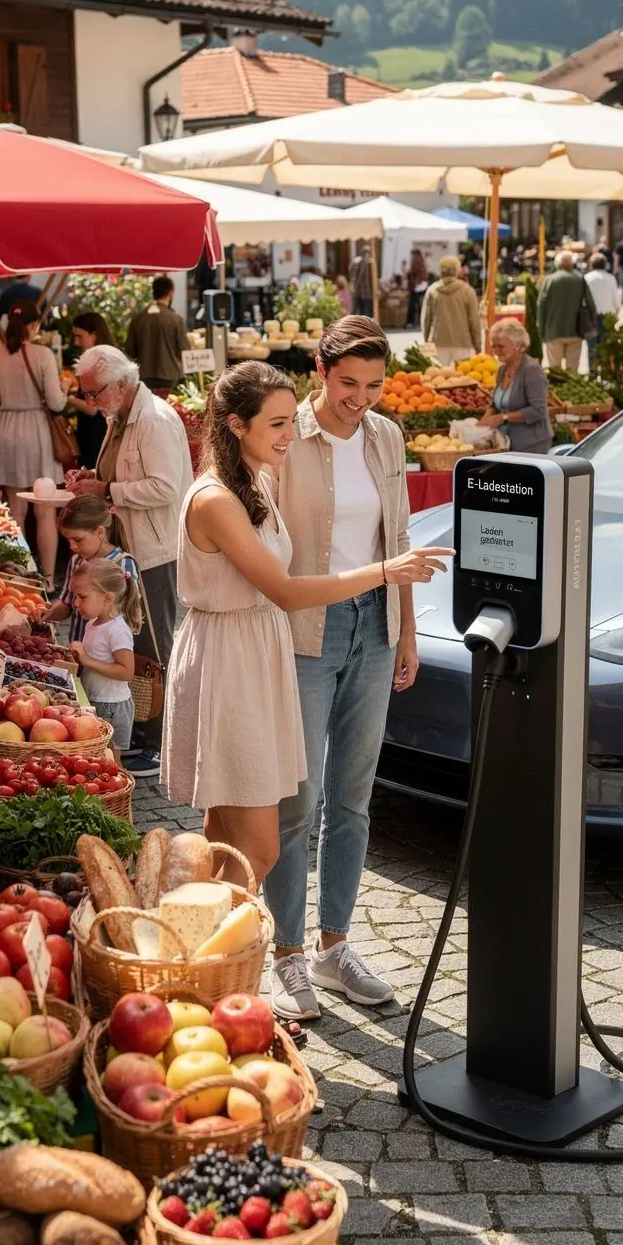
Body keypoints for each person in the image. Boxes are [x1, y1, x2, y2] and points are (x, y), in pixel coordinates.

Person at [162, 360, 451, 889]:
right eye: (275, 424)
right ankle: (204, 958)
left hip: (255, 656)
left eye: (288, 422)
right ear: (235, 425)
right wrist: (384, 571)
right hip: (230, 664)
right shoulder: (215, 499)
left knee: (222, 838)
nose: (289, 435)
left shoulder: (256, 482)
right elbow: (288, 591)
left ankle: (206, 962)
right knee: (258, 849)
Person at [265, 316, 430, 1020]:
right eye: (347, 384)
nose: (359, 399)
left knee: (354, 799)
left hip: (375, 625)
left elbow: (398, 539)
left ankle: (334, 948)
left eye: (372, 385)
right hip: (306, 627)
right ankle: (288, 957)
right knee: (297, 801)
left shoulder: (387, 436)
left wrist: (406, 633)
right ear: (320, 372)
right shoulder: (284, 439)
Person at [66, 344, 192, 776]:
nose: (91, 402)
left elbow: (166, 487)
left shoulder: (153, 420)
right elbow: (121, 475)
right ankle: (139, 731)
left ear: (120, 383)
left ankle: (158, 741)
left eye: (95, 393)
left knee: (154, 646)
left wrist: (107, 492)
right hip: (131, 547)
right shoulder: (120, 414)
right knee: (134, 642)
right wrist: (93, 480)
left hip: (155, 550)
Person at [0, 299, 67, 590]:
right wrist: (66, 391)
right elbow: (56, 402)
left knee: (15, 510)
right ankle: (48, 578)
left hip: (5, 430)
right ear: (35, 325)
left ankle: (18, 577)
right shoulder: (43, 354)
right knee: (45, 509)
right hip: (37, 432)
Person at [69, 557, 142, 755]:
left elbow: (127, 672)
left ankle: (122, 785)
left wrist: (87, 660)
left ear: (108, 598)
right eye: (75, 596)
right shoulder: (92, 623)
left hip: (112, 706)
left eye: (82, 597)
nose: (76, 603)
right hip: (92, 696)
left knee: (109, 758)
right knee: (92, 754)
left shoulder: (117, 630)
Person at [43, 494, 139, 642]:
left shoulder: (122, 564)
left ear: (100, 532)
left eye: (77, 539)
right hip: (78, 651)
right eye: (68, 539)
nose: (72, 546)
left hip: (105, 657)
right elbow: (68, 604)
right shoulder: (76, 561)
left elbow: (125, 616)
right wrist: (48, 613)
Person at [480, 319, 553, 454]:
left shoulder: (532, 370)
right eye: (494, 346)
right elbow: (496, 404)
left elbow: (538, 410)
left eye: (500, 346)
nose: (496, 351)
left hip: (532, 444)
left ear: (518, 344)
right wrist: (486, 417)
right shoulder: (502, 370)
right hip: (507, 443)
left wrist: (503, 418)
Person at [125, 274, 188, 392]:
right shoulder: (176, 319)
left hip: (144, 375)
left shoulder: (138, 319)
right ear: (170, 293)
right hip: (170, 376)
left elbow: (130, 350)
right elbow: (184, 349)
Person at [69, 312, 115, 468]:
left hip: (97, 433)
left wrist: (67, 398)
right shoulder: (98, 359)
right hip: (91, 432)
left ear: (94, 335)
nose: (76, 342)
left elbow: (92, 408)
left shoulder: (100, 363)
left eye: (80, 336)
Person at [421, 255, 481, 365]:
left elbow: (425, 320)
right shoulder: (467, 291)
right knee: (464, 380)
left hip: (437, 345)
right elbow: (474, 321)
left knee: (438, 380)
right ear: (458, 270)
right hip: (463, 345)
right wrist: (478, 345)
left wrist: (427, 342)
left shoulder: (432, 291)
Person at [536, 249, 586, 370]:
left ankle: (557, 389)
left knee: (555, 370)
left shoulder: (550, 280)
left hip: (553, 331)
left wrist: (541, 330)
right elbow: (589, 304)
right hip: (575, 330)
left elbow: (541, 305)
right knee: (572, 371)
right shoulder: (579, 280)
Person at [584, 252, 620, 364]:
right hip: (608, 317)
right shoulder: (611, 278)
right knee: (606, 348)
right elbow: (616, 300)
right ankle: (605, 374)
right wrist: (617, 312)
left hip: (591, 318)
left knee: (592, 347)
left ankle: (593, 375)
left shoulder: (586, 278)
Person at [406, 247, 428, 328]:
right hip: (421, 285)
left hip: (417, 286)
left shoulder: (416, 262)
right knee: (419, 305)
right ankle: (420, 322)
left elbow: (413, 274)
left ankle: (411, 322)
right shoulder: (421, 261)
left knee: (413, 305)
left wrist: (408, 272)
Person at [349, 245, 374, 317]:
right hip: (364, 292)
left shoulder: (357, 261)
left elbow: (351, 272)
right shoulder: (362, 262)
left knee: (362, 313)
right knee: (365, 313)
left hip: (362, 292)